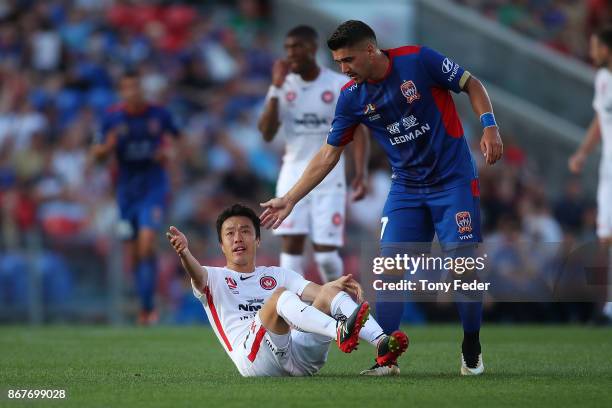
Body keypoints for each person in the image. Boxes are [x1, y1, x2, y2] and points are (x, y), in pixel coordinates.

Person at [260, 20, 503, 376]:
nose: (343, 69)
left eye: (348, 60)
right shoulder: (352, 97)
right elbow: (329, 154)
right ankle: (386, 359)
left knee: (462, 269)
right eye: (338, 62)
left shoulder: (419, 61)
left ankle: (471, 345)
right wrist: (291, 198)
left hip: (453, 182)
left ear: (371, 50)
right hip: (406, 188)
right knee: (388, 271)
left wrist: (490, 125)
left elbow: (471, 84)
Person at [166, 204, 408, 377]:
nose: (238, 238)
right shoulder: (214, 277)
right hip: (254, 362)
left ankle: (382, 343)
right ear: (221, 245)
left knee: (332, 293)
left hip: (298, 356)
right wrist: (184, 252)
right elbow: (196, 275)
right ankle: (340, 331)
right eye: (230, 233)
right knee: (280, 296)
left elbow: (318, 293)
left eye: (246, 231)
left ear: (257, 240)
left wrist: (333, 288)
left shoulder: (277, 273)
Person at [258, 25, 369, 282]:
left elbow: (360, 131)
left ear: (312, 48)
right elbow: (266, 132)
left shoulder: (339, 84)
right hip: (292, 172)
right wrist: (275, 88)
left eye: (296, 47)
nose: (290, 54)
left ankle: (341, 306)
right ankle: (296, 316)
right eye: (287, 48)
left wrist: (360, 173)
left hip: (329, 176)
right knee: (291, 249)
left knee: (326, 256)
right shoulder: (283, 86)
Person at [91, 71, 180, 325]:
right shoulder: (111, 118)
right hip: (127, 191)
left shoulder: (158, 114)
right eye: (127, 88)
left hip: (153, 186)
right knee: (134, 253)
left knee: (147, 241)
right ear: (122, 92)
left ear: (142, 89)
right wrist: (107, 148)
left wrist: (169, 153)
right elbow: (96, 155)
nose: (133, 92)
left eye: (136, 87)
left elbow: (175, 140)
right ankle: (145, 304)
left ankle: (149, 304)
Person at [568, 25, 612, 321]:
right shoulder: (602, 78)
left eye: (595, 46)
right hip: (608, 166)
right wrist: (582, 152)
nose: (591, 51)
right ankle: (607, 307)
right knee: (605, 237)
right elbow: (600, 119)